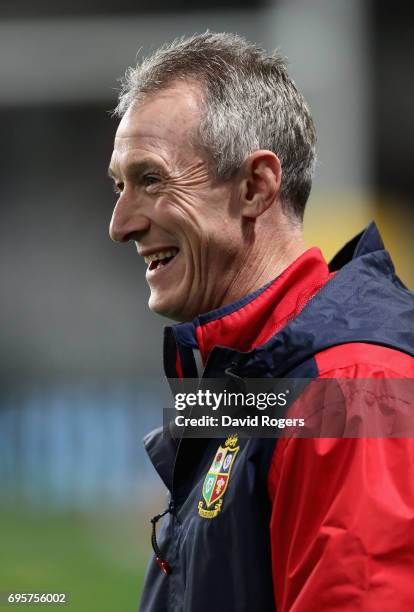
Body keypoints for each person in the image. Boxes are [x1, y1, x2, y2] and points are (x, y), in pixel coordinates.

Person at [108, 32, 414, 612]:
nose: (120, 224)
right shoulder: (258, 382)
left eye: (151, 180)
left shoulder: (353, 387)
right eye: (119, 185)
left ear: (254, 187)